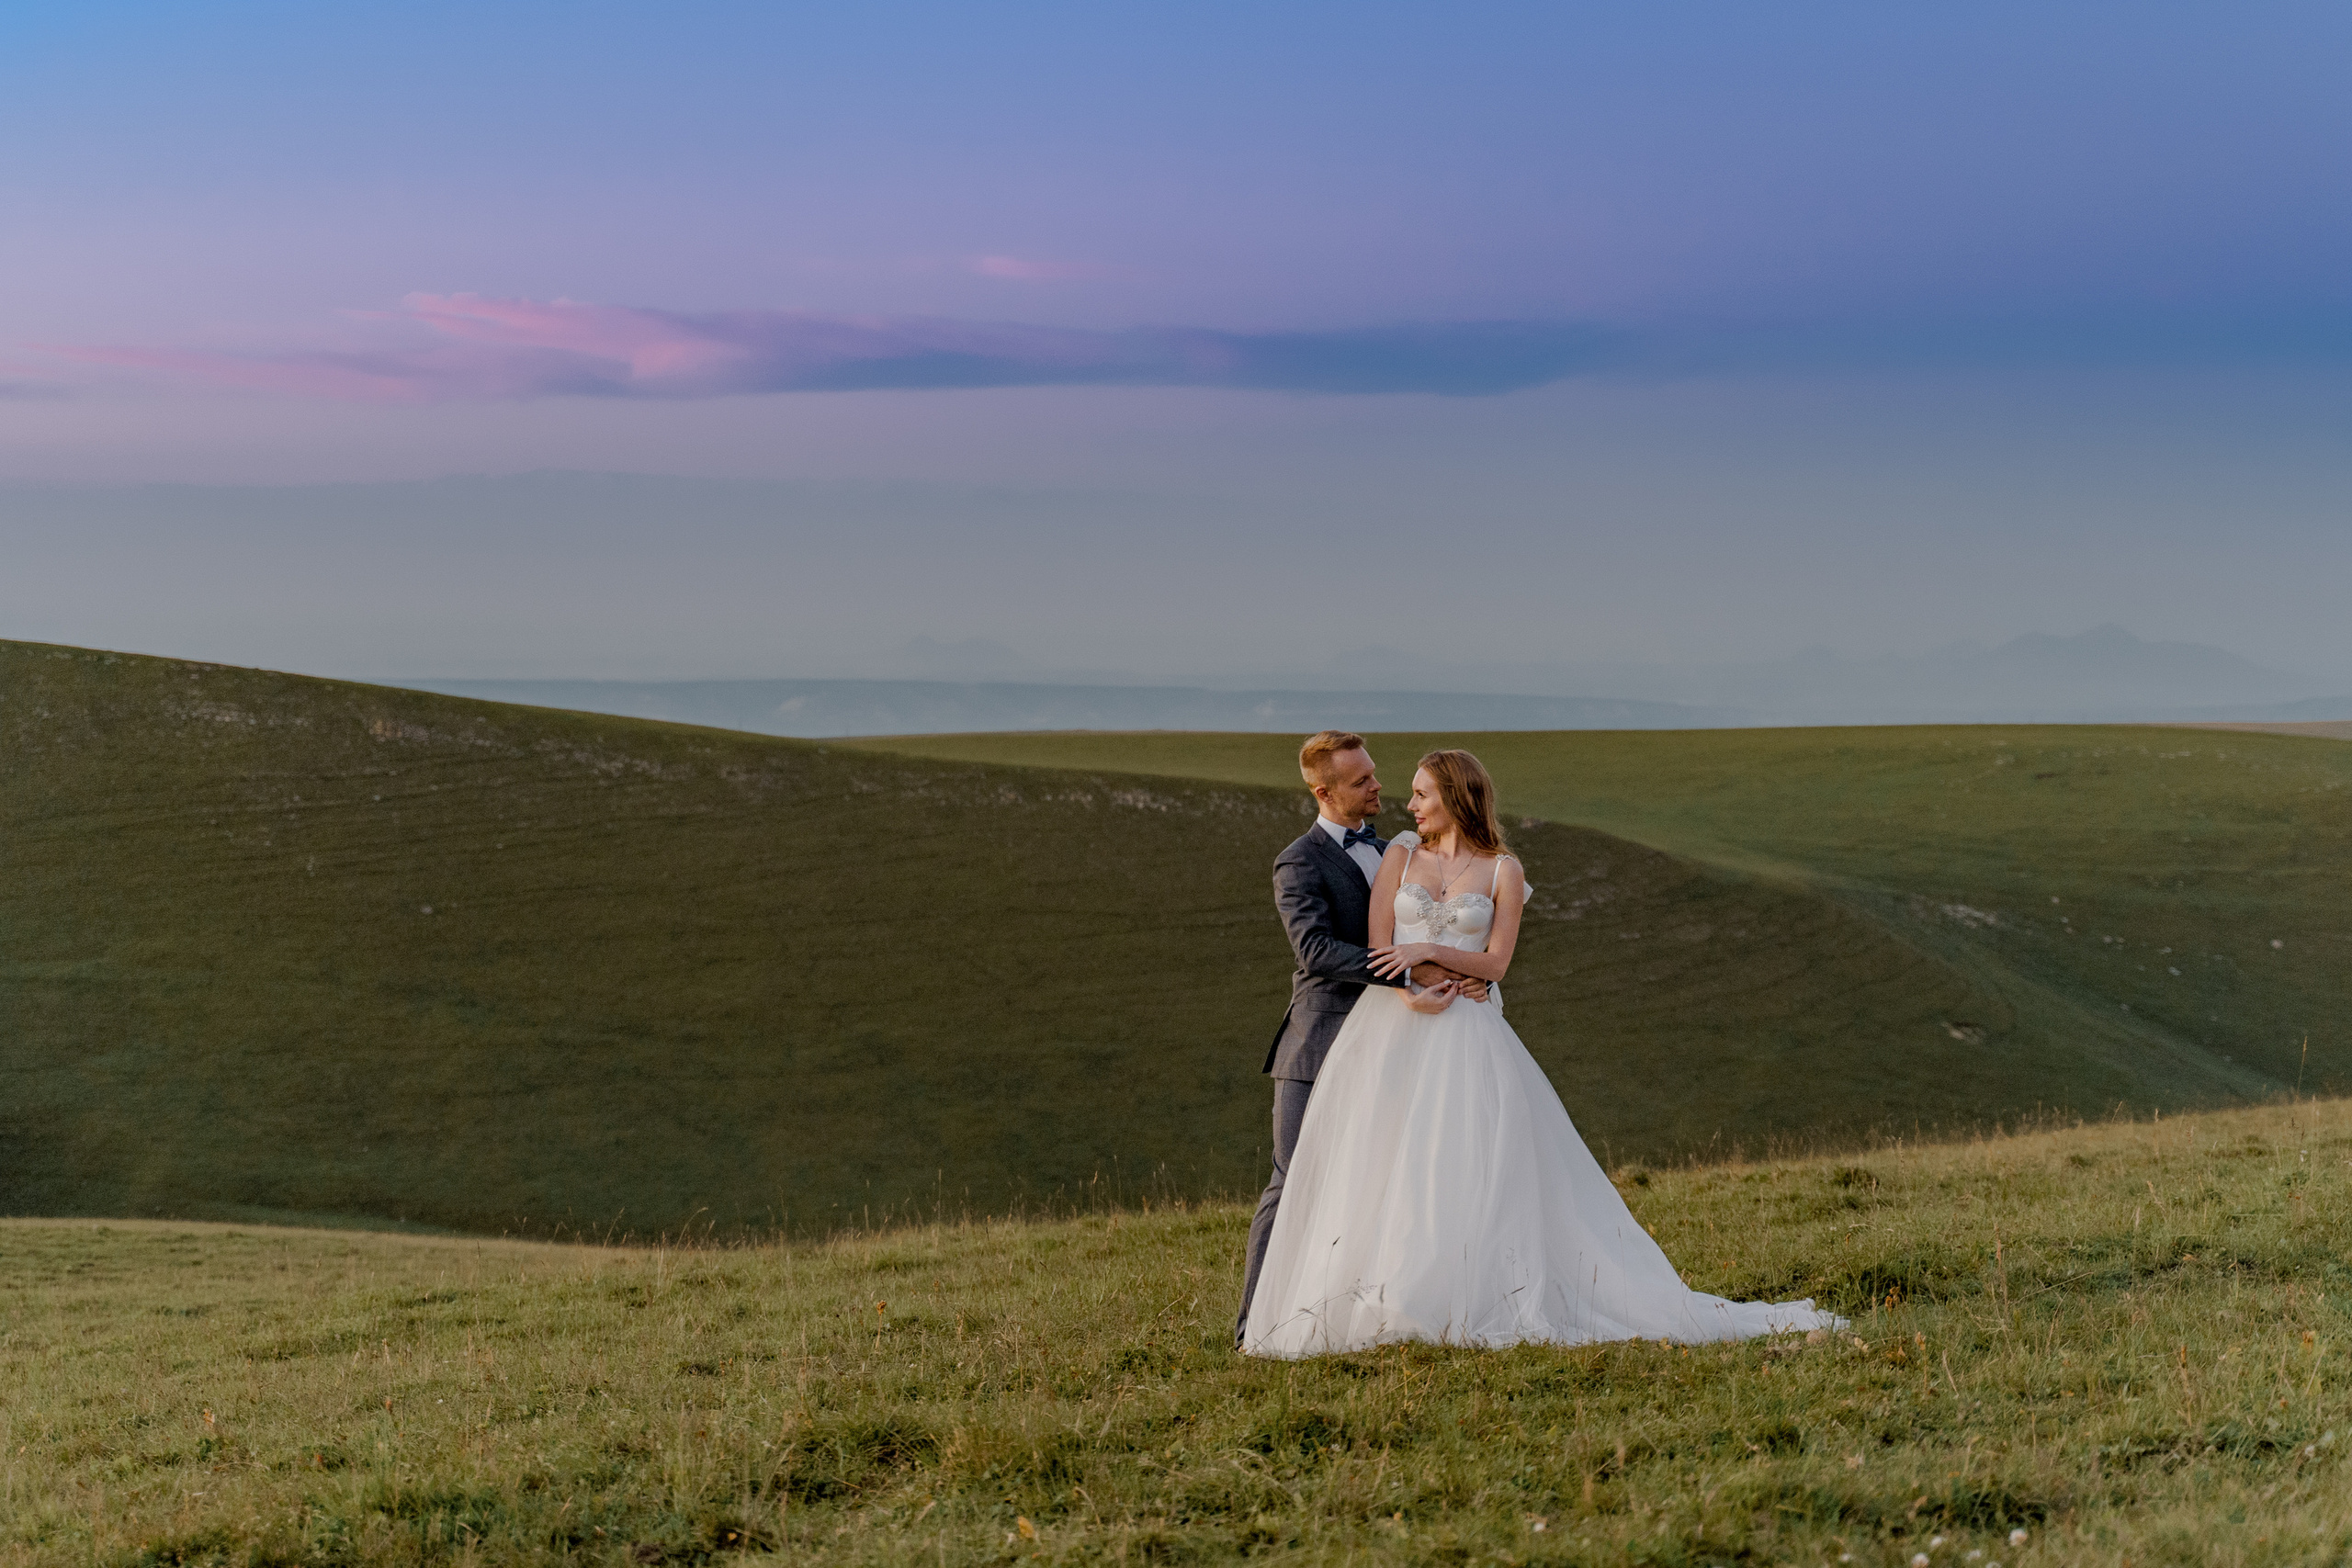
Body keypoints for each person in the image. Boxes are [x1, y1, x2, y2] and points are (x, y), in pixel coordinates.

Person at [1242, 747, 1845, 1356]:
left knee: (1464, 1163)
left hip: (1467, 1034)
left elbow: (1495, 962)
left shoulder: (1502, 869)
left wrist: (1437, 961)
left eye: (1422, 793)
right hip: (1393, 1029)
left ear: (1455, 795)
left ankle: (1464, 1294)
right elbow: (1381, 950)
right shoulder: (1397, 853)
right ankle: (1362, 1298)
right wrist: (1411, 990)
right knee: (1381, 1164)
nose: (1408, 801)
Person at [1237, 731, 1486, 1348]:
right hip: (1318, 1045)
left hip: (1394, 1045)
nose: (1380, 786)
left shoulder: (1397, 851)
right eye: (1362, 781)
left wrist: (1464, 973)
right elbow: (1315, 951)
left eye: (1374, 774)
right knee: (1292, 1180)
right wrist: (1409, 969)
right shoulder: (1298, 861)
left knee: (1380, 1182)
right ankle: (1251, 1327)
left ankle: (1353, 1316)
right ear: (1324, 792)